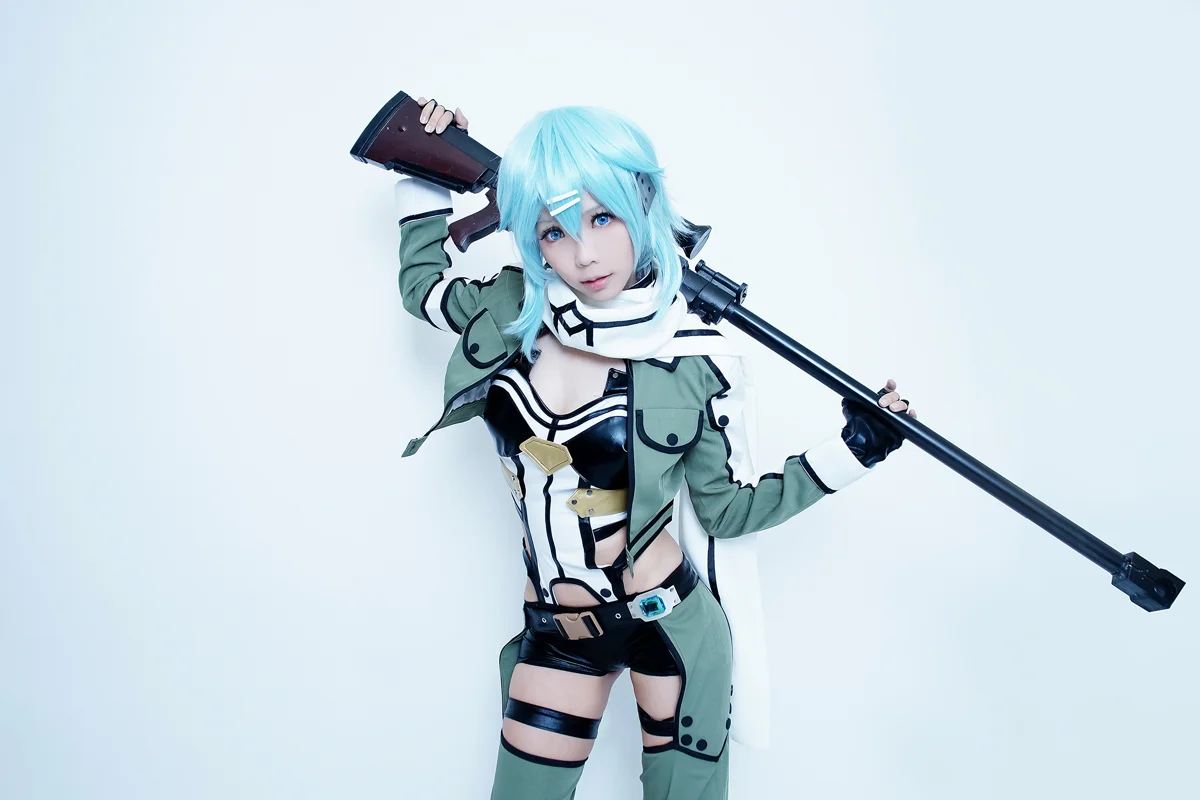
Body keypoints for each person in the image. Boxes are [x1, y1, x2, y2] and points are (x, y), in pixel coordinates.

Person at [392, 95, 916, 800]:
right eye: (554, 230)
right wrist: (426, 166)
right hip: (557, 631)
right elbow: (423, 291)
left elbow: (726, 511)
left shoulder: (692, 356)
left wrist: (852, 451)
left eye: (603, 218)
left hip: (668, 624)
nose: (584, 254)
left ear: (641, 207)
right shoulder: (510, 309)